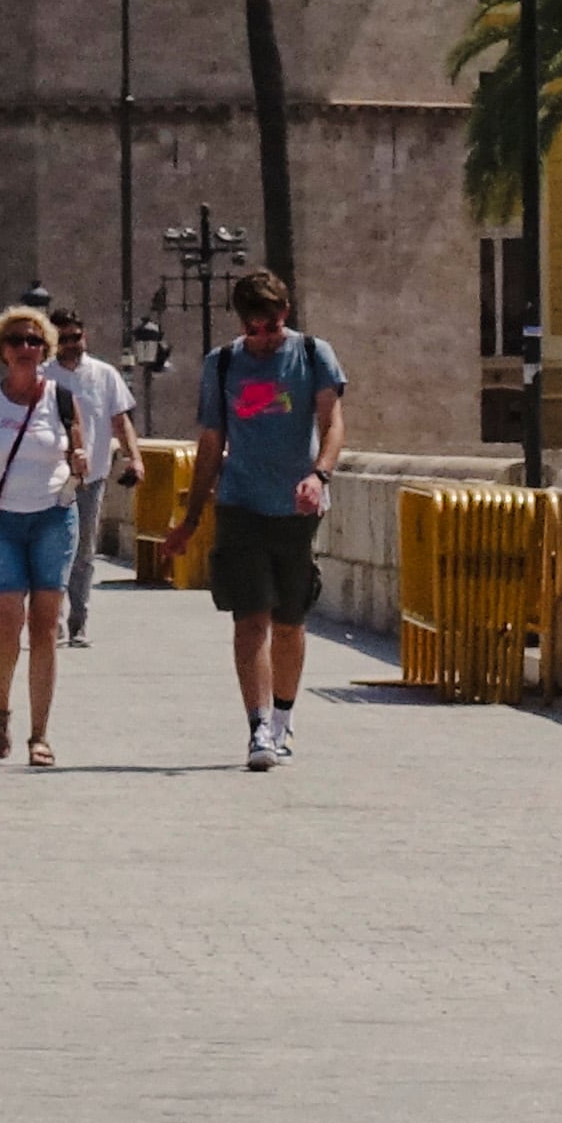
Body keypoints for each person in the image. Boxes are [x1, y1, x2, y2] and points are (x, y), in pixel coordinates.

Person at [190, 267, 348, 774]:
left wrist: (319, 476)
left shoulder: (311, 354)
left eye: (272, 326)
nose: (262, 337)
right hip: (240, 504)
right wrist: (191, 516)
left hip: (295, 508)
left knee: (288, 620)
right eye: (253, 328)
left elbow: (332, 422)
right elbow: (211, 444)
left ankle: (283, 715)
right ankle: (258, 725)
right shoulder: (222, 365)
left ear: (285, 316)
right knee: (249, 617)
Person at [0, 303, 90, 765]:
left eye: (35, 341)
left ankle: (40, 736)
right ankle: (0, 707)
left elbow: (78, 453)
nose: (26, 348)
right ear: (2, 351)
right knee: (6, 620)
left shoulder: (63, 400)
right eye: (17, 341)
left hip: (54, 516)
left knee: (46, 626)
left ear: (46, 348)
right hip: (2, 519)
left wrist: (80, 463)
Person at [45, 307, 143, 650]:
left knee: (85, 552)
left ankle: (78, 624)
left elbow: (121, 420)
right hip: (52, 477)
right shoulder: (43, 376)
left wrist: (135, 458)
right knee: (55, 551)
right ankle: (53, 624)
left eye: (77, 337)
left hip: (93, 476)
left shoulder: (104, 374)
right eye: (65, 339)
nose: (73, 344)